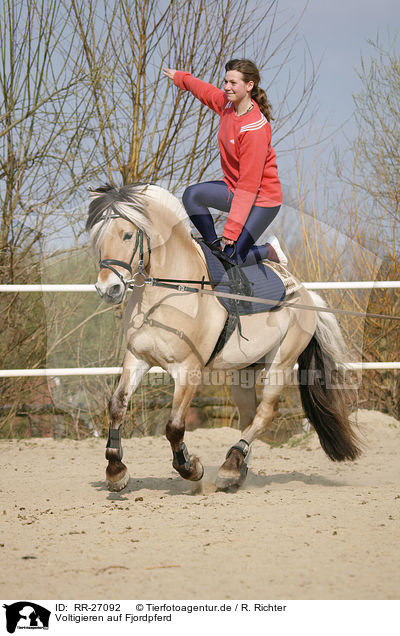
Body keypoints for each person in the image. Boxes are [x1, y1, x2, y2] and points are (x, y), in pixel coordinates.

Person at [163, 59, 287, 267]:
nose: (227, 87)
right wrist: (181, 78)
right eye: (226, 82)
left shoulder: (254, 130)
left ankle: (268, 251)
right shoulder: (228, 105)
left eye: (233, 83)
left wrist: (231, 230)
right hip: (234, 188)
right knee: (192, 195)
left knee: (231, 261)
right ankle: (215, 249)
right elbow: (205, 91)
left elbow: (248, 186)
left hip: (261, 200)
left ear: (250, 86)